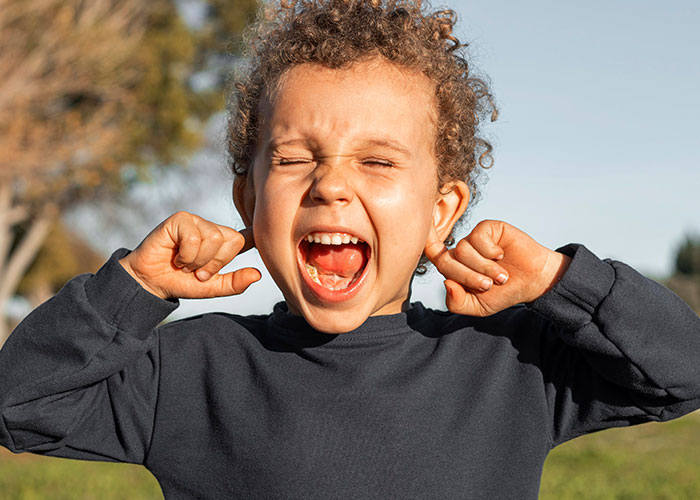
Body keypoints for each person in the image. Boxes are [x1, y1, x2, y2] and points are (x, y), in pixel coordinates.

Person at [1, 0, 699, 498]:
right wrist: (133, 288)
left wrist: (558, 282)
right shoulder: (188, 372)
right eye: (296, 159)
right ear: (247, 201)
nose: (331, 184)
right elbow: (18, 406)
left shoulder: (510, 364)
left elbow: (682, 370)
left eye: (378, 162)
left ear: (441, 211)